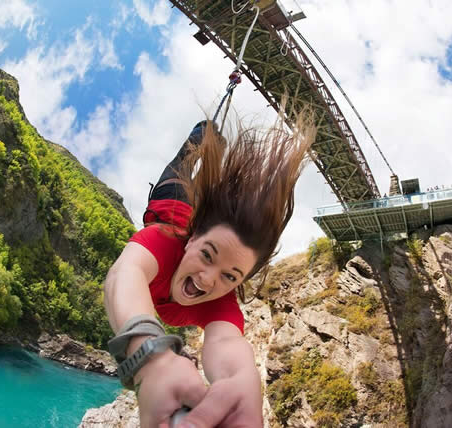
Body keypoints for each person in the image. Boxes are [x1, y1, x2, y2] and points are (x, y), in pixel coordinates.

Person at [104, 116, 314, 428]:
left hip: (201, 219)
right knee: (185, 161)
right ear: (192, 239)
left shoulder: (221, 303)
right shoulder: (161, 242)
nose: (206, 278)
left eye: (230, 276)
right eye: (206, 255)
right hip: (169, 201)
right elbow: (124, 274)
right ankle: (202, 136)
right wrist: (152, 360)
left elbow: (227, 344)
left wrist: (242, 381)